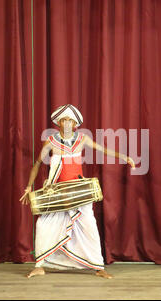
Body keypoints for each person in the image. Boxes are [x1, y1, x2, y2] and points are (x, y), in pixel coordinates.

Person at [20, 104, 135, 279]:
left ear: (75, 124)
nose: (66, 123)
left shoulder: (82, 139)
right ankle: (40, 265)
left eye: (70, 120)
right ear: (58, 123)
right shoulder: (50, 142)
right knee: (43, 226)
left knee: (89, 226)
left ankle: (98, 267)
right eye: (63, 120)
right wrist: (29, 187)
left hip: (79, 191)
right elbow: (37, 164)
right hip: (56, 192)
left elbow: (103, 150)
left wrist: (124, 157)